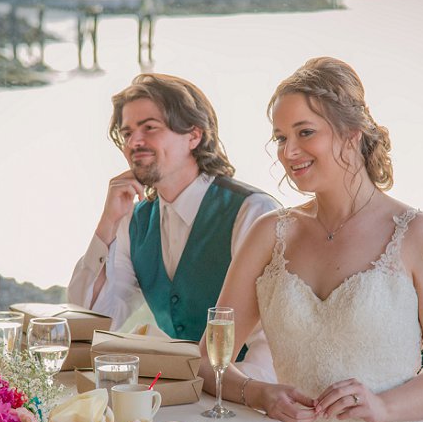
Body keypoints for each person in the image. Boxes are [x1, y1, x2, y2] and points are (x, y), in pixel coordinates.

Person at [202, 57, 423, 422]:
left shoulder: (417, 235)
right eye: (281, 138)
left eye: (305, 132)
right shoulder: (269, 234)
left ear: (353, 133)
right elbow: (210, 357)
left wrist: (382, 406)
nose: (290, 151)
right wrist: (259, 395)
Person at [69, 74, 281, 381]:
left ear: (194, 135)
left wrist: (239, 394)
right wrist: (107, 223)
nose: (135, 142)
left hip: (248, 394)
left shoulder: (252, 212)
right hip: (180, 389)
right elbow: (94, 322)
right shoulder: (133, 222)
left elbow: (272, 338)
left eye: (150, 128)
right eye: (127, 133)